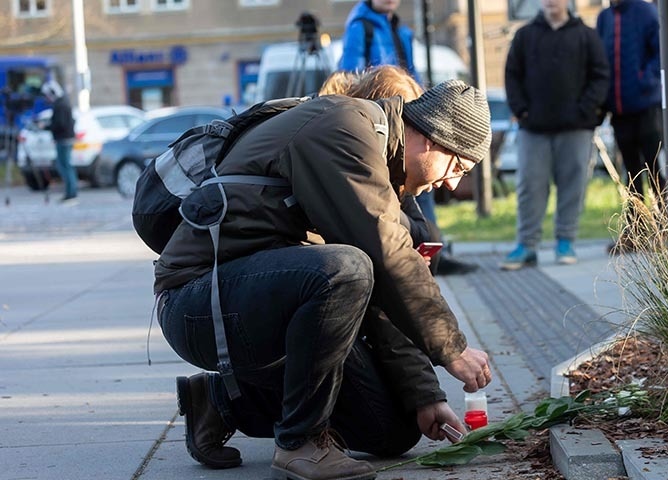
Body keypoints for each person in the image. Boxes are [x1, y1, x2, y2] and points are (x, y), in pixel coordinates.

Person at [155, 79, 493, 480]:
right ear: (431, 137)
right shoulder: (345, 129)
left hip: (259, 299)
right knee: (344, 269)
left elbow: (384, 297)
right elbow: (391, 261)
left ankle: (222, 400)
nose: (453, 183)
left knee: (394, 429)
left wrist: (425, 394)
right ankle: (301, 443)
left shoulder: (381, 166)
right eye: (457, 166)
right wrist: (452, 348)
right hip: (197, 302)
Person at [339, 0, 478, 275]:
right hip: (383, 114)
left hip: (410, 112)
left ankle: (431, 249)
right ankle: (408, 252)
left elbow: (413, 75)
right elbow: (348, 76)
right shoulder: (361, 27)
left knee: (425, 181)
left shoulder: (401, 29)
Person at [501, 0, 609, 269]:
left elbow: (600, 76)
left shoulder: (586, 35)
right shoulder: (525, 35)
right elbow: (512, 76)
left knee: (572, 187)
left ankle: (566, 242)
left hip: (575, 129)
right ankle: (526, 246)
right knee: (530, 187)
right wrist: (522, 110)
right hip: (533, 129)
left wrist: (585, 110)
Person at [596, 0, 666, 254]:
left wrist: (644, 80)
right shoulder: (604, 18)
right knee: (632, 175)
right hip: (619, 109)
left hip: (646, 106)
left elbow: (659, 52)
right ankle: (635, 233)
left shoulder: (645, 11)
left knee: (654, 168)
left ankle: (665, 230)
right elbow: (601, 62)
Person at [41, 80, 78, 203]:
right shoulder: (64, 102)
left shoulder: (60, 104)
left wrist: (46, 127)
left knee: (65, 166)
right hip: (65, 138)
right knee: (66, 165)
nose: (47, 98)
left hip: (63, 139)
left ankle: (71, 193)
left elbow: (60, 124)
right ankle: (71, 192)